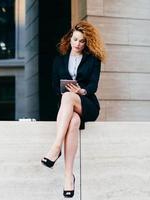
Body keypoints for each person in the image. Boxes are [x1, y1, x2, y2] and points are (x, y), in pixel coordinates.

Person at [41, 20, 106, 198]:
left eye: (82, 41)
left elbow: (93, 85)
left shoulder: (93, 60)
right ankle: (69, 177)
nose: (77, 43)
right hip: (68, 108)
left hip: (88, 105)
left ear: (86, 43)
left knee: (69, 96)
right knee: (74, 121)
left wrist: (81, 91)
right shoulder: (59, 60)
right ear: (69, 39)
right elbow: (55, 86)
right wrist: (65, 88)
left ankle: (55, 147)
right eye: (75, 39)